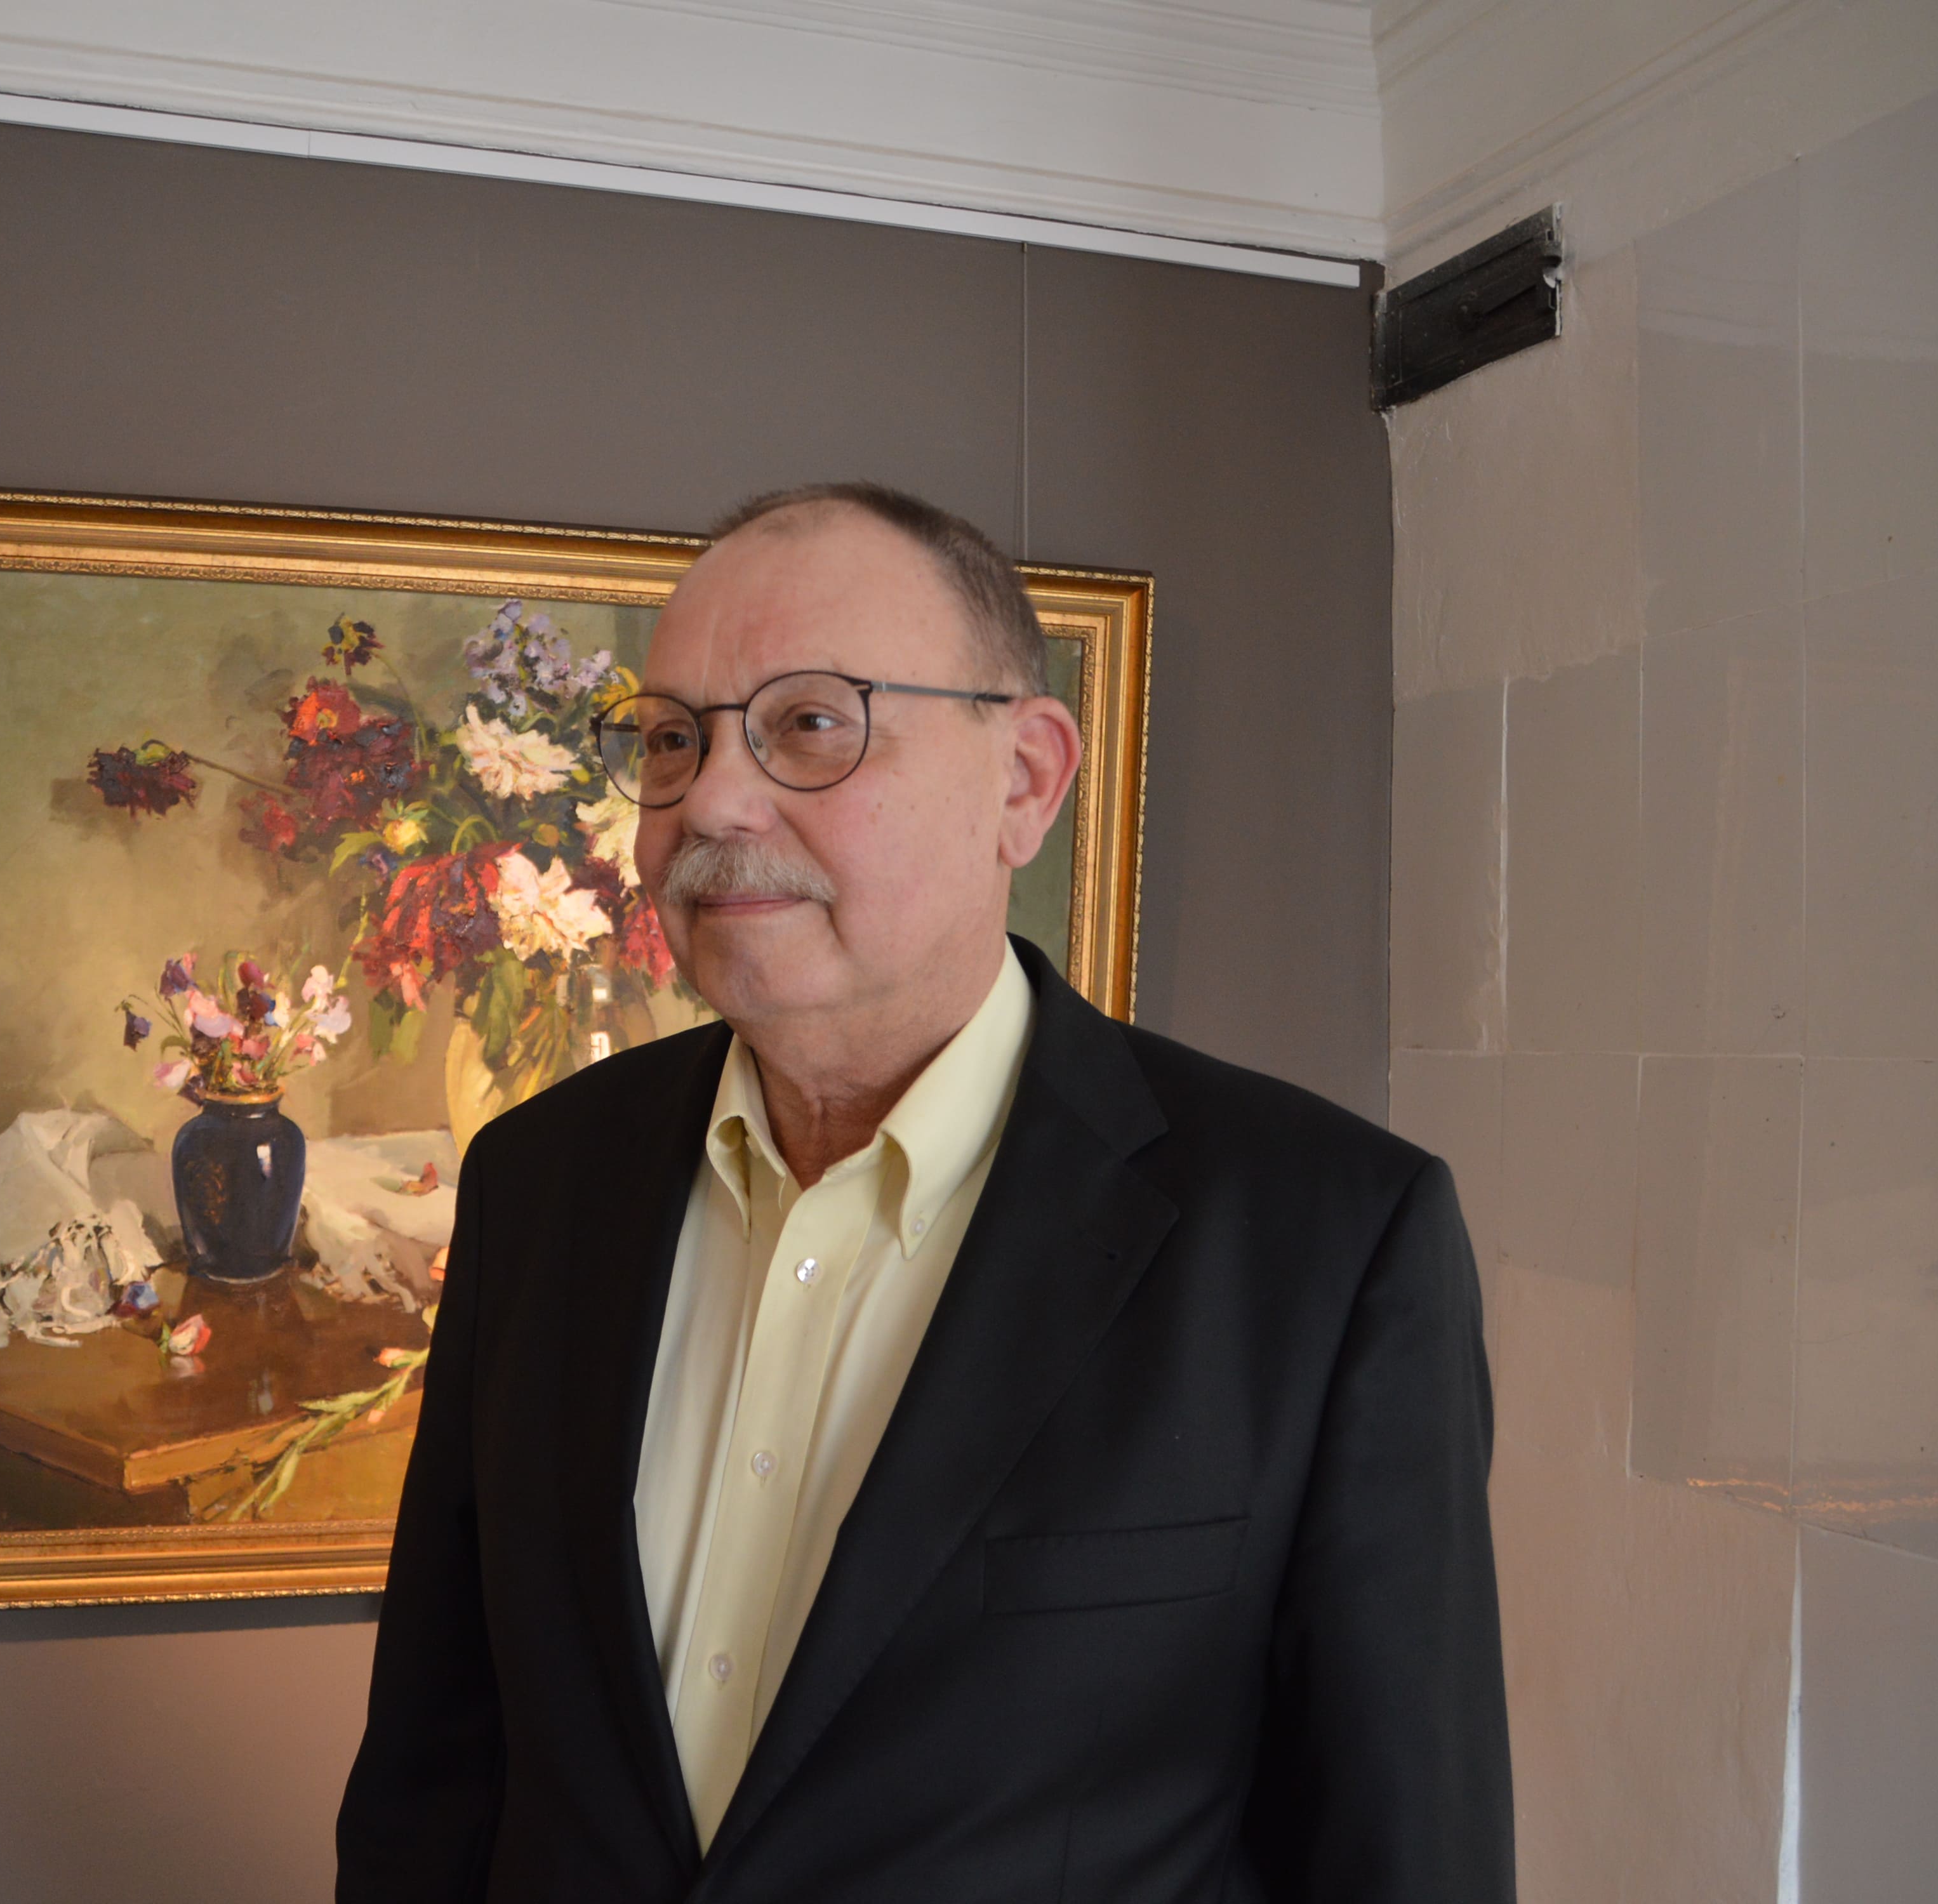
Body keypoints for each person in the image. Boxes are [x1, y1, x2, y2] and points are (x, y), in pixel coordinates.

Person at [336, 482, 1512, 1902]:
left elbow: (1405, 1858)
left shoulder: (1326, 1246)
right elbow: (433, 1787)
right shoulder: (539, 1182)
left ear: (1025, 781)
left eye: (809, 725)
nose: (710, 800)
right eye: (672, 739)